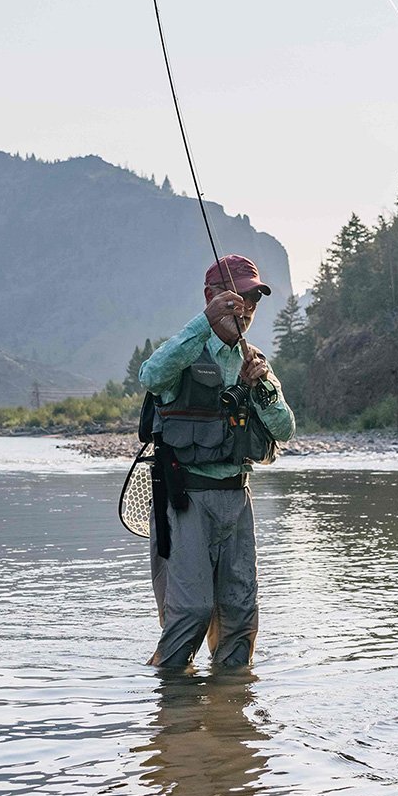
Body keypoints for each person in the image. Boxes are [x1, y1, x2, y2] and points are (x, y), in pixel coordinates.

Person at [137, 254, 295, 671]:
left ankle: (231, 721)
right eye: (235, 297)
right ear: (212, 298)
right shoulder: (185, 350)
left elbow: (284, 428)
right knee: (191, 612)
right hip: (184, 498)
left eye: (252, 300)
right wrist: (204, 322)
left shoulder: (255, 360)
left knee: (240, 616)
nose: (244, 308)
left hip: (237, 501)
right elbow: (150, 376)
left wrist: (263, 388)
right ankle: (172, 714)